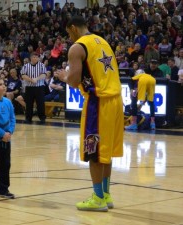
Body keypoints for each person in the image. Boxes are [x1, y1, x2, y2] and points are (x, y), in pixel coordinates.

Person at [57, 16, 124, 212]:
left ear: (72, 28)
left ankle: (97, 199)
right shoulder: (102, 41)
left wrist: (64, 77)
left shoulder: (77, 47)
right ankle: (106, 194)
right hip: (116, 100)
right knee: (106, 151)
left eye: (68, 32)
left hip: (98, 102)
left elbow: (74, 80)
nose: (69, 37)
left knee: (94, 151)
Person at [21, 52, 47, 124]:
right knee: (29, 103)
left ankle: (42, 118)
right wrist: (31, 80)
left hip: (39, 87)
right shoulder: (26, 66)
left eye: (36, 57)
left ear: (38, 58)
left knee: (40, 103)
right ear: (30, 58)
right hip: (29, 87)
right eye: (33, 57)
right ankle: (28, 118)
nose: (35, 58)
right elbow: (23, 75)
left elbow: (44, 75)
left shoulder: (42, 65)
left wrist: (36, 79)